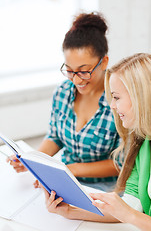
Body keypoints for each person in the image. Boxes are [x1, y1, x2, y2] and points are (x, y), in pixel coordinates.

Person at [42, 53, 151, 231]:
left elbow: (129, 213)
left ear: (141, 97)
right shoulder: (144, 141)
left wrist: (130, 215)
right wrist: (70, 211)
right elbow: (131, 204)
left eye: (117, 98)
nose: (112, 106)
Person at [7, 12, 122, 192]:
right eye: (69, 70)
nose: (76, 80)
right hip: (67, 181)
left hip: (106, 189)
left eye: (84, 71)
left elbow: (121, 163)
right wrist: (33, 160)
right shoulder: (62, 92)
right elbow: (55, 136)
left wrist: (70, 170)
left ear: (104, 62)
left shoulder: (120, 100)